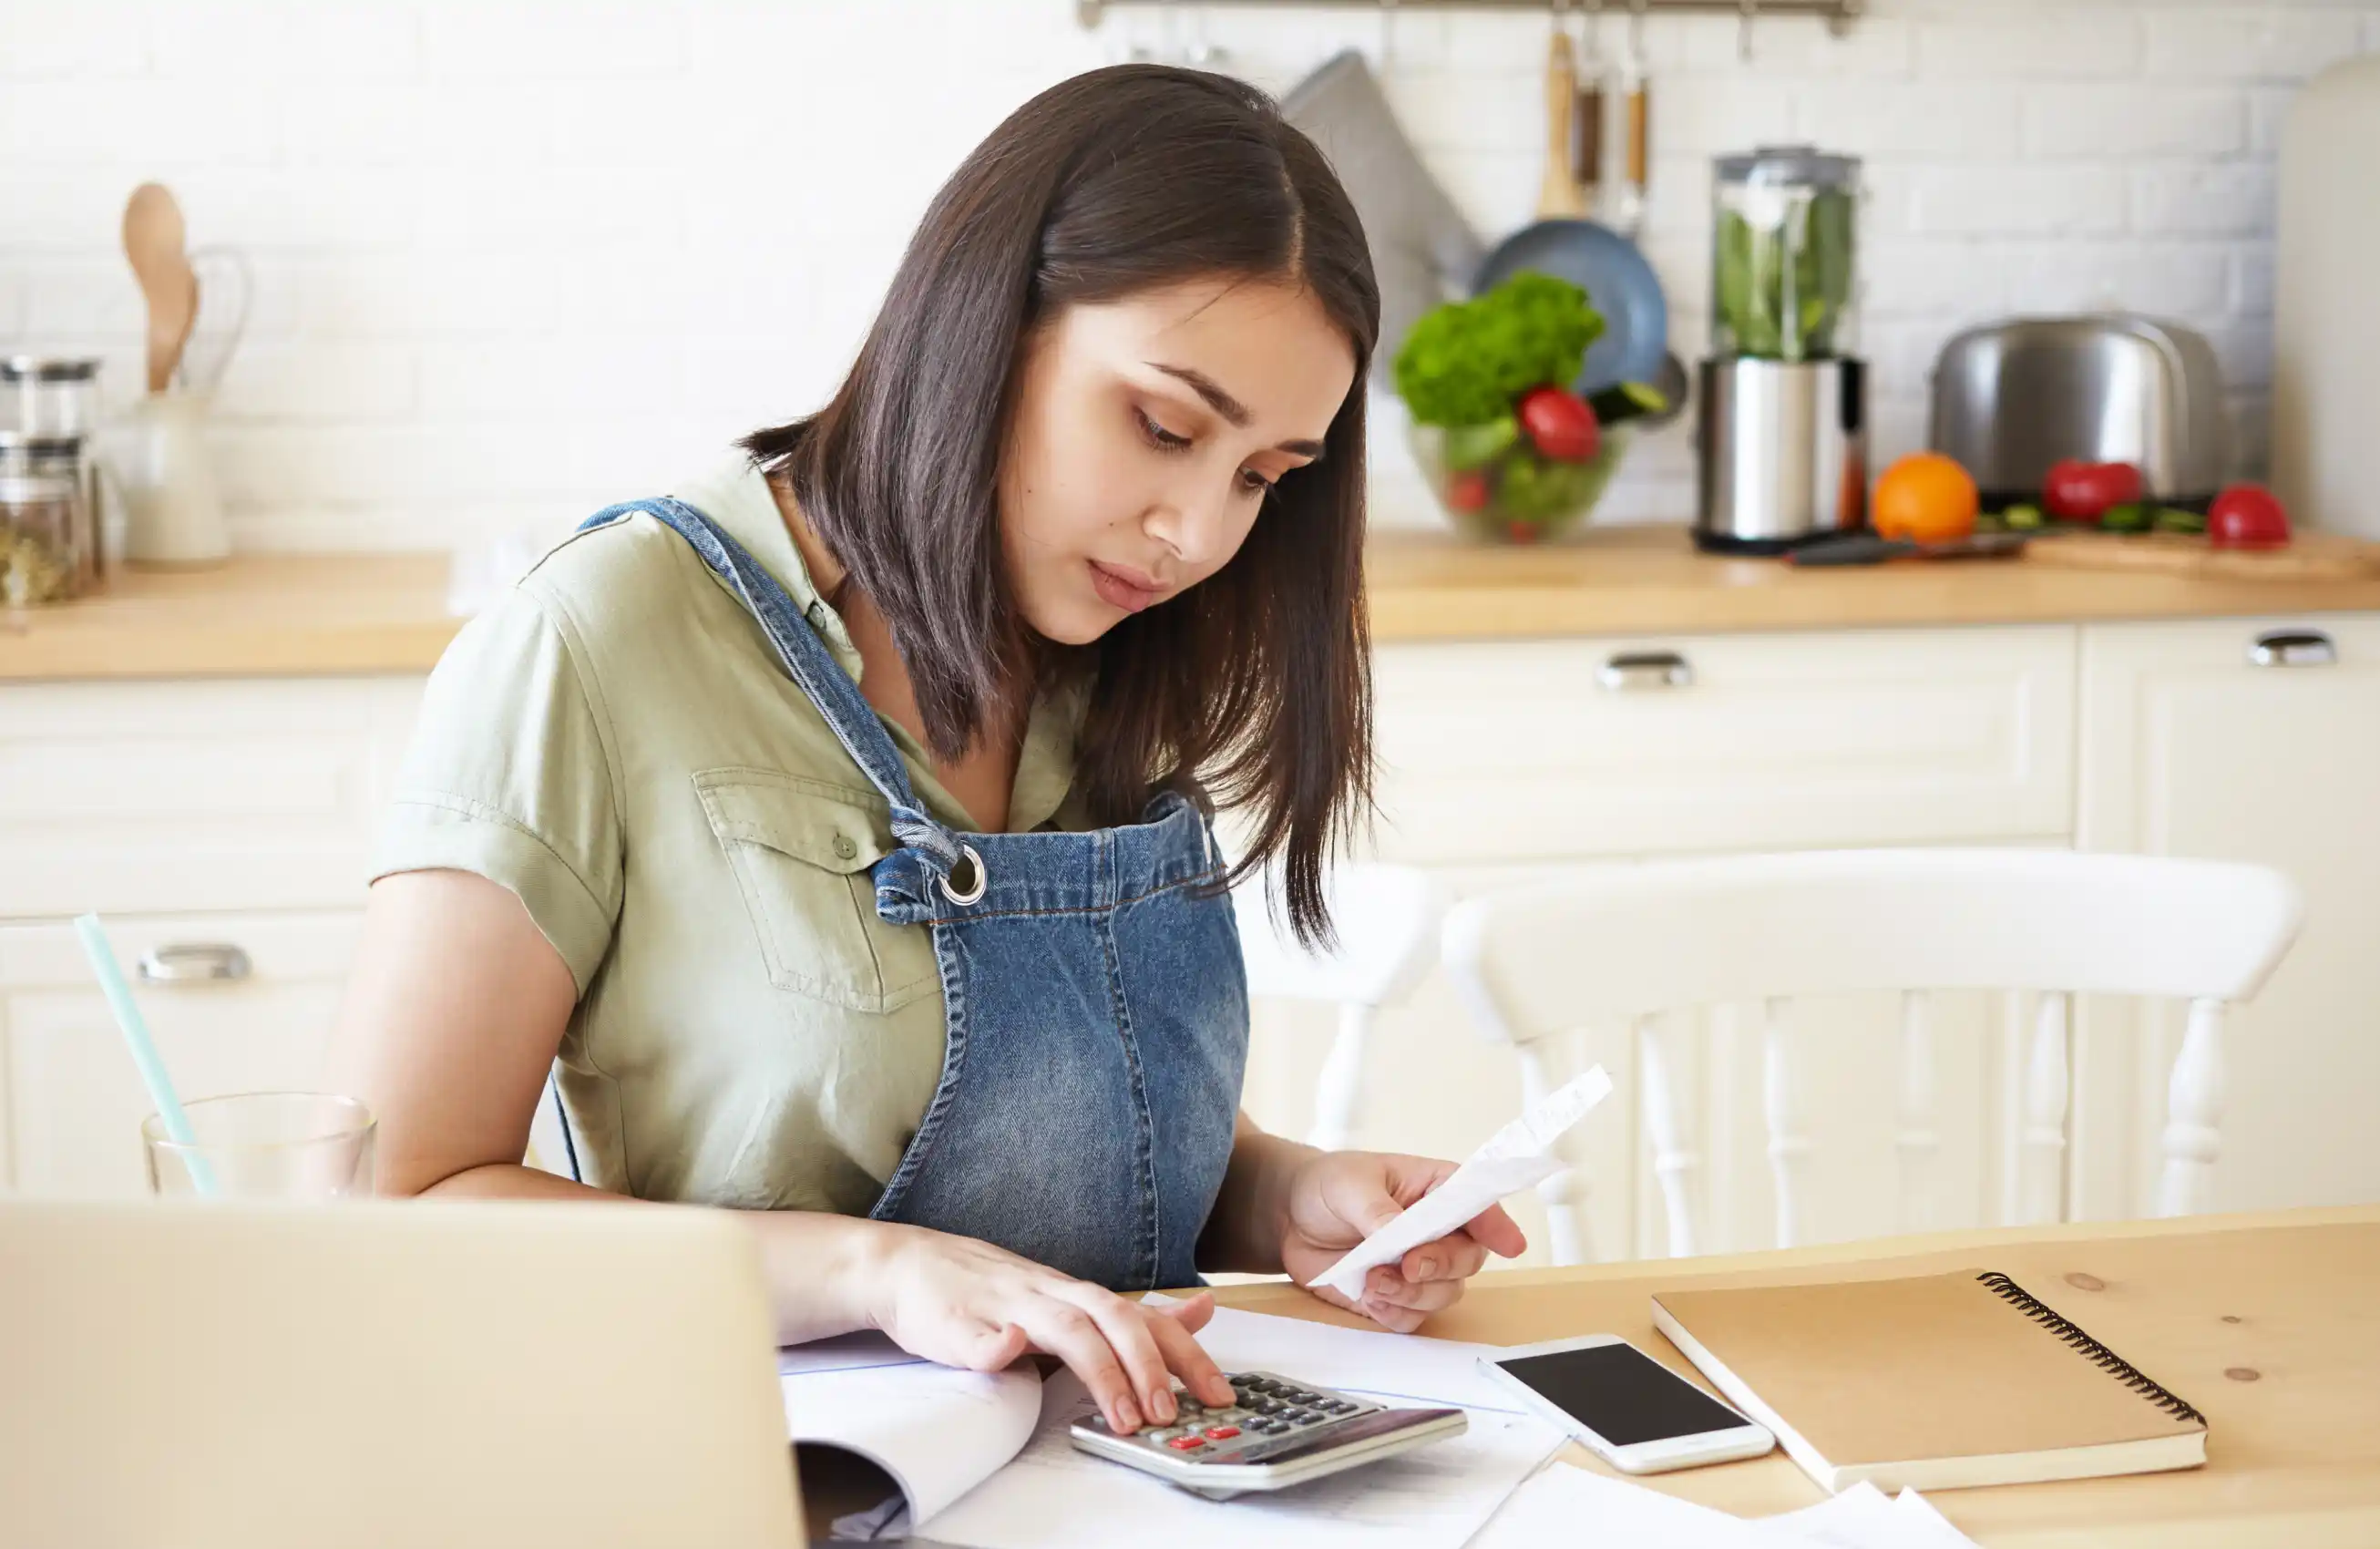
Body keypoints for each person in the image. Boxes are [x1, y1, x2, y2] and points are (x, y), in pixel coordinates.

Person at [328, 64, 1524, 1440]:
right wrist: (871, 1269)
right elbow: (392, 1211)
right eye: (1164, 427)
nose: (1198, 535)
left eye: (1261, 478)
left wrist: (1281, 1193)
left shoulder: (1113, 655)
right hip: (757, 1483)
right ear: (985, 321)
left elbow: (1053, 1155)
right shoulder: (598, 641)